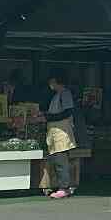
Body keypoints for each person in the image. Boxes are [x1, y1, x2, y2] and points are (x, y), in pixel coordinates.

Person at [43, 71, 77, 199]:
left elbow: (67, 112)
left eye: (52, 81)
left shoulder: (65, 94)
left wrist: (48, 117)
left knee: (61, 162)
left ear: (57, 82)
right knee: (57, 161)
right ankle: (62, 186)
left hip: (61, 133)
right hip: (55, 133)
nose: (50, 84)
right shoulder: (57, 95)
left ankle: (64, 188)